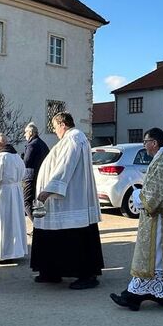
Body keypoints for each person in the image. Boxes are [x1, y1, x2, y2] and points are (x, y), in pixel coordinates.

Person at [110, 128, 163, 310]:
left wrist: (137, 196)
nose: (144, 146)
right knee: (161, 260)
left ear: (154, 143)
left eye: (145, 142)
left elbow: (155, 196)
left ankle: (134, 296)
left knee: (153, 258)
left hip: (162, 222)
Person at [32, 112, 104, 289]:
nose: (55, 131)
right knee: (56, 237)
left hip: (71, 200)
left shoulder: (73, 139)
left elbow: (65, 166)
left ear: (62, 124)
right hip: (67, 200)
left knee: (75, 239)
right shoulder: (73, 138)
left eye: (55, 127)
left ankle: (86, 275)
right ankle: (51, 271)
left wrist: (49, 190)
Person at [0, 133, 28, 264]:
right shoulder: (17, 157)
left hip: (2, 193)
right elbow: (23, 174)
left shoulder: (0, 158)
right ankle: (13, 251)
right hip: (16, 192)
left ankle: (0, 253)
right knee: (13, 223)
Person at [22, 122, 50, 219]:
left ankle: (36, 225)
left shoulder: (31, 145)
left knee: (26, 201)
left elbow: (26, 162)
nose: (24, 134)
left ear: (31, 133)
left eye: (26, 132)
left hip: (30, 177)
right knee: (37, 202)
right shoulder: (43, 144)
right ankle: (39, 225)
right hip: (41, 176)